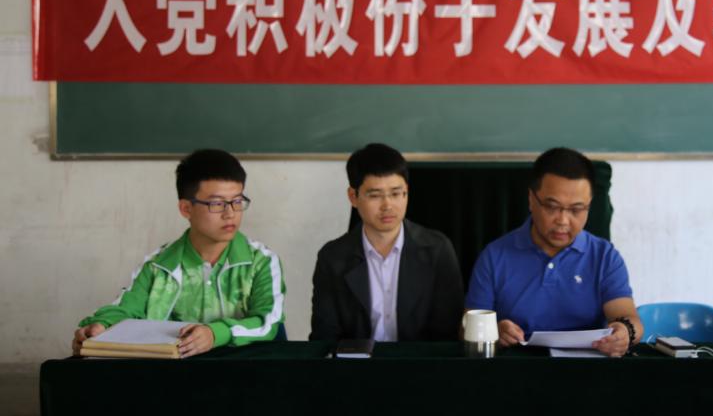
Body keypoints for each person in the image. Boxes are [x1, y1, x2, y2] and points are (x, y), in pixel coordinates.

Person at [72, 149, 285, 358]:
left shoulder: (261, 262)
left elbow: (268, 322)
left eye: (237, 201)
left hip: (244, 373)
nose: (230, 214)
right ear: (186, 209)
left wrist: (215, 333)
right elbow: (125, 308)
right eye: (217, 203)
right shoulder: (158, 265)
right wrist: (101, 325)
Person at [465, 147, 642, 357]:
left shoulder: (605, 256)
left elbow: (628, 317)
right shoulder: (495, 256)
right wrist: (495, 331)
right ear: (531, 199)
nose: (563, 220)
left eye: (576, 209)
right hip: (515, 369)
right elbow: (466, 327)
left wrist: (624, 333)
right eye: (552, 207)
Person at [310, 143, 464, 341]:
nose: (387, 205)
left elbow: (446, 333)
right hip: (355, 361)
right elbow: (325, 335)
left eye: (396, 193)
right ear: (353, 197)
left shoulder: (437, 250)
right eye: (375, 195)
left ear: (406, 192)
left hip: (420, 360)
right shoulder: (333, 257)